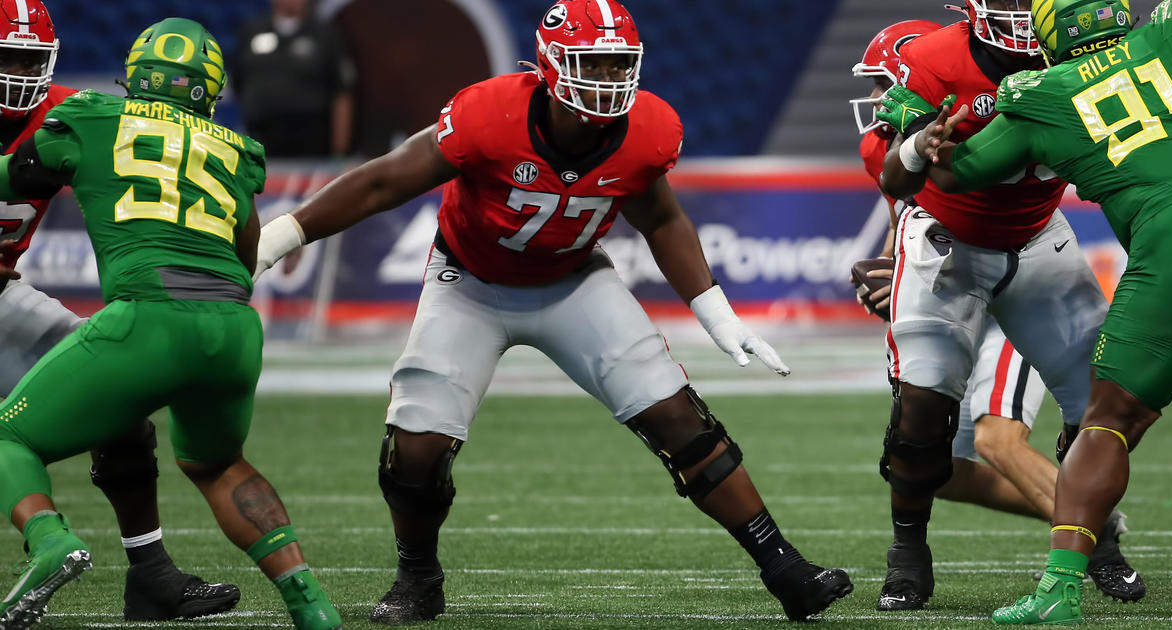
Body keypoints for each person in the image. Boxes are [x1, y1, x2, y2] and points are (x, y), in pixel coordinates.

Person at [253, 0, 853, 623]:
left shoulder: (646, 129)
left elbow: (662, 217)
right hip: (470, 283)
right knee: (416, 447)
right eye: (592, 63)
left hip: (574, 282)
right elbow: (383, 181)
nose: (608, 80)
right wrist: (282, 236)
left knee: (680, 419)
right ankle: (418, 577)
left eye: (618, 64)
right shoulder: (490, 113)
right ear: (550, 63)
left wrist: (716, 312)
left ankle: (785, 568)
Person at [0, 18, 341, 630]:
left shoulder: (86, 115)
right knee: (218, 464)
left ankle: (53, 540)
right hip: (233, 329)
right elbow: (245, 254)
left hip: (145, 317)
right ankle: (312, 607)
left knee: (10, 440)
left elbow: (18, 176)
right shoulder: (235, 148)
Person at [886, 0, 1172, 623]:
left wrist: (928, 148)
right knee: (929, 406)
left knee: (1104, 420)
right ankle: (909, 553)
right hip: (956, 246)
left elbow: (953, 174)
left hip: (1137, 244)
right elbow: (905, 176)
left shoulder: (1044, 92)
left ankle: (1065, 585)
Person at [0, 0, 241, 621]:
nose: (18, 74)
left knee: (122, 410)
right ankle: (50, 540)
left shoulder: (71, 112)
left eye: (29, 60)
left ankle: (152, 575)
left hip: (0, 297)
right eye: (7, 58)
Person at [233, 0, 355, 157]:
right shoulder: (252, 31)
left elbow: (342, 93)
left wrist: (339, 151)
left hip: (311, 141)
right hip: (260, 138)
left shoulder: (325, 34)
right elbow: (238, 83)